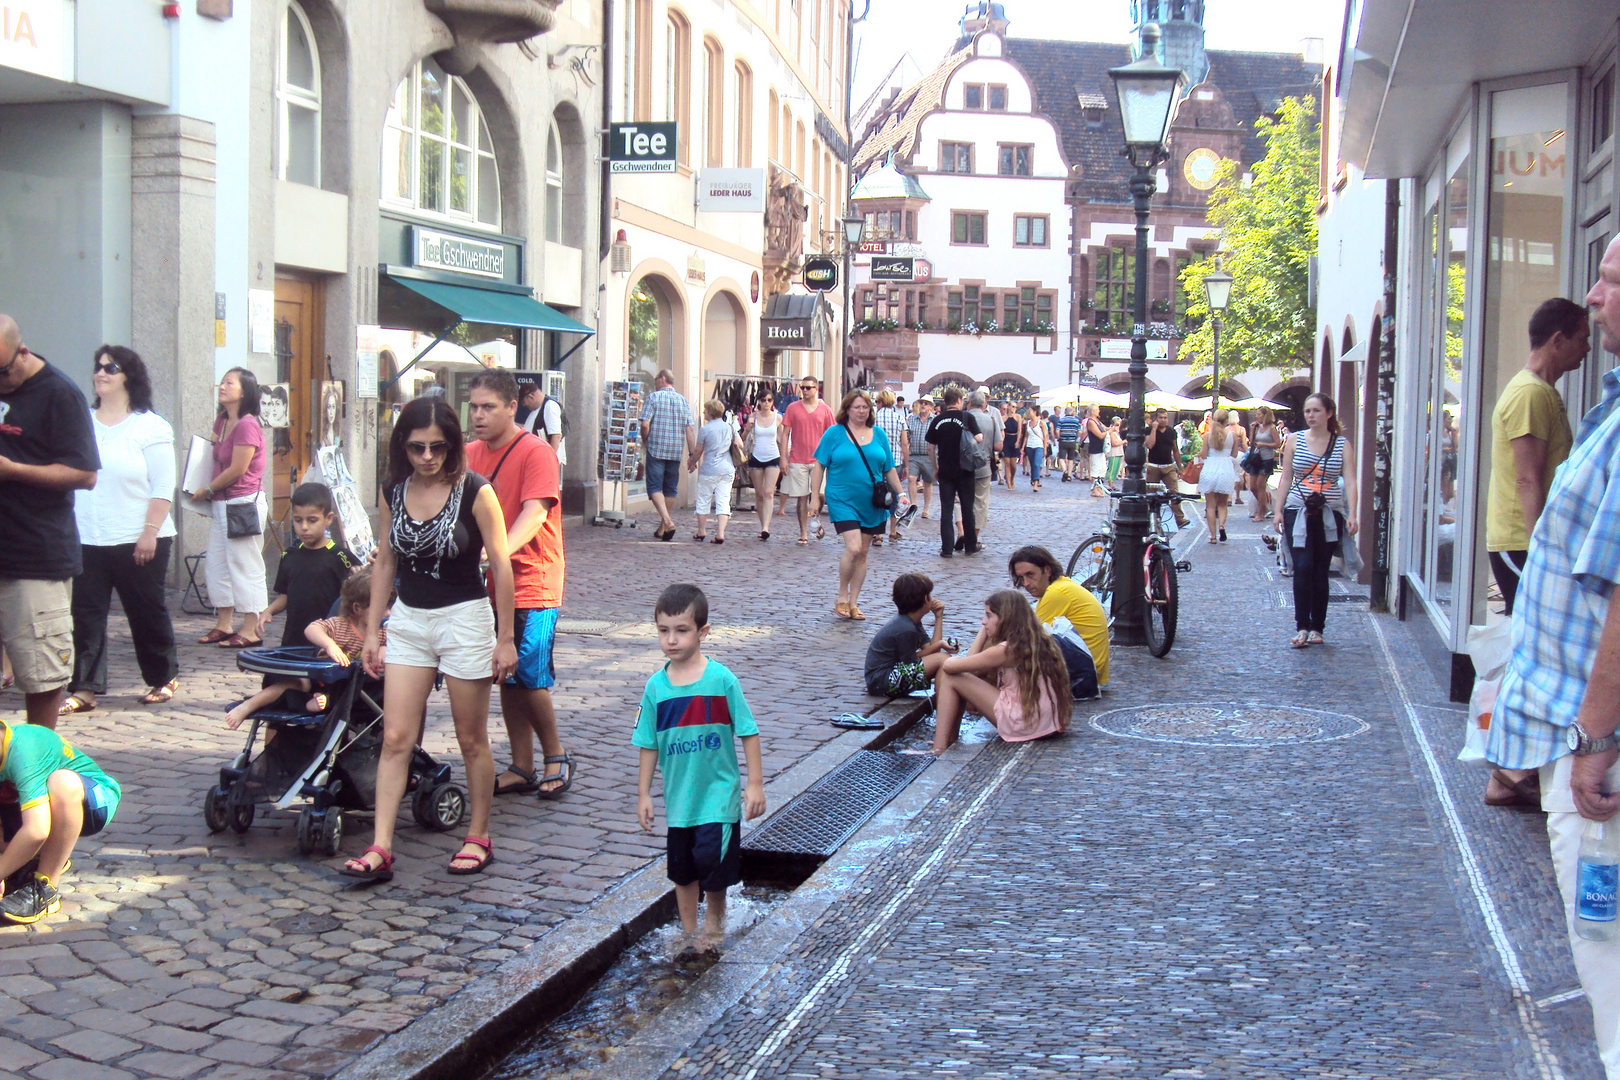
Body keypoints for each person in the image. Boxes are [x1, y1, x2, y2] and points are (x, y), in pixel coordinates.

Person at [1484, 234, 1620, 1078]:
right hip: (1576, 733)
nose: (1594, 297)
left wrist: (1597, 740)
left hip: (1596, 750)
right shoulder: (1606, 399)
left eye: (1610, 280)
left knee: (1606, 940)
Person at [342, 396, 517, 883]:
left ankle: (478, 835)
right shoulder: (392, 491)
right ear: (402, 445)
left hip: (464, 618)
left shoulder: (475, 491)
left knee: (470, 738)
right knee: (396, 737)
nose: (427, 457)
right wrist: (374, 630)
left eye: (438, 448)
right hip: (411, 619)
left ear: (453, 447)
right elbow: (385, 562)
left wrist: (506, 638)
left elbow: (501, 567)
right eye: (417, 447)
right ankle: (381, 846)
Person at [634, 584, 765, 949]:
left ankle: (714, 925)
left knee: (712, 863)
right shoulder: (656, 688)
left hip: (717, 797)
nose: (671, 640)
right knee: (682, 869)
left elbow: (748, 732)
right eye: (663, 631)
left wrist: (754, 784)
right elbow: (648, 744)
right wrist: (644, 793)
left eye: (681, 630)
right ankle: (689, 932)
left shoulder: (721, 681)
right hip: (680, 803)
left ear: (703, 632)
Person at [466, 372, 574, 801]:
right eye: (473, 406)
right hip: (487, 583)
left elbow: (533, 514)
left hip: (534, 579)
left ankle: (556, 754)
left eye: (488, 407)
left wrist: (494, 552)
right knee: (505, 675)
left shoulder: (536, 452)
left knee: (529, 673)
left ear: (513, 407)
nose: (478, 415)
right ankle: (522, 764)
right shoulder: (469, 454)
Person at [65, 346, 179, 714]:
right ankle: (84, 687)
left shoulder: (150, 425)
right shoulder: (81, 420)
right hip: (87, 536)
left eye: (110, 368)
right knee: (85, 614)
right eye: (98, 367)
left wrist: (149, 531)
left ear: (129, 375)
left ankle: (163, 676)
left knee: (145, 612)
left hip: (140, 537)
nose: (101, 373)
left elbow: (163, 486)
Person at [0, 315, 100, 730]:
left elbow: (85, 474)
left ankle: (38, 764)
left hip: (34, 556)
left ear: (22, 352)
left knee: (41, 672)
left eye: (1, 373)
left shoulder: (60, 393)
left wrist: (11, 470)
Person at [1486, 297, 1589, 618]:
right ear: (1558, 340)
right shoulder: (1529, 393)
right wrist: (1541, 547)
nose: (1587, 349)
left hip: (1527, 542)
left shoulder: (1541, 391)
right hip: (1521, 541)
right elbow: (1527, 478)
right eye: (1583, 339)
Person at [225, 568, 383, 730]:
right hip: (319, 679)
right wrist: (330, 645)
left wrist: (383, 651)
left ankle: (319, 701)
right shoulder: (341, 625)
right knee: (293, 683)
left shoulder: (383, 631)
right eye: (383, 608)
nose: (389, 613)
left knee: (349, 696)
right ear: (358, 609)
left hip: (348, 690)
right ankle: (248, 706)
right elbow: (312, 629)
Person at [0, 717, 121, 923]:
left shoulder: (24, 749)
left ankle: (45, 887)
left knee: (62, 782)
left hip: (94, 799)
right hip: (36, 809)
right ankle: (29, 864)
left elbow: (36, 831)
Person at [921, 589, 1071, 755]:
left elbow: (954, 666)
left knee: (951, 677)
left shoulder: (1007, 650)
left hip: (1024, 722)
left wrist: (982, 633)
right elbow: (972, 669)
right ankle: (949, 739)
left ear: (1005, 619)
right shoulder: (1036, 640)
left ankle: (940, 747)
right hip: (1045, 721)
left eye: (989, 616)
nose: (984, 622)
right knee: (960, 675)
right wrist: (987, 627)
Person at [191, 367, 269, 648]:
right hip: (222, 503)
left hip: (243, 502)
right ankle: (224, 623)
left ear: (244, 391)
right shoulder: (222, 419)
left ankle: (251, 628)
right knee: (217, 564)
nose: (222, 386)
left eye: (229, 383)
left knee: (245, 564)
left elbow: (238, 469)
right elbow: (213, 457)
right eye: (222, 381)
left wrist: (208, 489)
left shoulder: (247, 425)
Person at [1274, 393, 1358, 649]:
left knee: (1321, 570)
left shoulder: (1341, 444)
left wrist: (1353, 513)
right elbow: (1286, 477)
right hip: (1296, 510)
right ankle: (1301, 626)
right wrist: (1278, 510)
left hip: (1329, 512)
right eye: (1307, 410)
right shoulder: (1293, 440)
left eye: (1316, 411)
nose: (1310, 415)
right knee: (1303, 566)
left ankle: (1317, 628)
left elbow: (1351, 480)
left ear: (1328, 413)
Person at [811, 390, 904, 620]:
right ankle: (842, 596)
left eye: (865, 408)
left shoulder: (879, 434)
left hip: (872, 501)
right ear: (847, 410)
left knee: (862, 553)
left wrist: (901, 494)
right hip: (842, 498)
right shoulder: (834, 434)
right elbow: (819, 466)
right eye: (857, 407)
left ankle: (854, 602)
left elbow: (889, 468)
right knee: (852, 548)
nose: (861, 411)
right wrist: (815, 496)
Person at [261, 483, 360, 650]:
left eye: (312, 520)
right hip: (293, 639)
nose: (304, 527)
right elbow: (285, 595)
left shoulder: (342, 557)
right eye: (298, 520)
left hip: (329, 642)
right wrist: (269, 610)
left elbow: (356, 598)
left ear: (328, 519)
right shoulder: (289, 556)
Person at [1008, 546, 1110, 688]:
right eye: (1021, 578)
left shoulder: (1055, 593)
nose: (1025, 583)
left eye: (1030, 575)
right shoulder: (1062, 585)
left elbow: (1026, 642)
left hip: (1081, 679)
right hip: (1087, 672)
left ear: (1047, 570)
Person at [865, 571, 955, 697]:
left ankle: (941, 700)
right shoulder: (906, 629)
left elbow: (931, 651)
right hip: (881, 681)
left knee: (942, 659)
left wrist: (938, 617)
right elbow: (911, 661)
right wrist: (939, 644)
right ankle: (942, 702)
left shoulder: (911, 621)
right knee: (943, 660)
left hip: (887, 676)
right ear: (925, 599)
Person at [639, 369, 698, 541]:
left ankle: (667, 520)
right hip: (675, 451)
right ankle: (662, 528)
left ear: (663, 379)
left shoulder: (653, 397)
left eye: (657, 378)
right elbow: (690, 429)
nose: (655, 382)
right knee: (670, 489)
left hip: (656, 449)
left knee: (655, 487)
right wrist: (692, 454)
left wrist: (645, 440)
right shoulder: (682, 400)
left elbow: (644, 424)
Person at [926, 387, 982, 557]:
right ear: (958, 400)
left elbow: (930, 447)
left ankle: (947, 548)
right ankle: (970, 545)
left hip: (945, 470)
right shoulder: (967, 417)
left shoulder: (938, 419)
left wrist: (935, 468)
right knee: (967, 508)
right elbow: (979, 438)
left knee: (947, 510)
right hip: (965, 469)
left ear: (945, 401)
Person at [782, 376, 835, 545]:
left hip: (819, 460)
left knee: (819, 494)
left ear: (816, 389)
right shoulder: (792, 408)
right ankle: (803, 531)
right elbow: (785, 434)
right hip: (798, 458)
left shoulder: (825, 409)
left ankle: (815, 519)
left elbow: (832, 434)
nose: (805, 391)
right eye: (802, 388)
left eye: (808, 388)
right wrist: (783, 457)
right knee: (802, 497)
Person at [689, 399, 743, 544]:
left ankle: (701, 531)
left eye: (705, 410)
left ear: (711, 412)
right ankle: (720, 533)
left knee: (703, 499)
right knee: (723, 500)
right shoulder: (729, 427)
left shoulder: (705, 429)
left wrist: (692, 462)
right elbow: (740, 444)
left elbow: (698, 450)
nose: (704, 413)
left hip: (710, 469)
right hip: (727, 468)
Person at [1197, 408, 1240, 543]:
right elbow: (1234, 454)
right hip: (1226, 468)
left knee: (1210, 505)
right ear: (1227, 420)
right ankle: (1221, 525)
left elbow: (1203, 454)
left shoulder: (1207, 435)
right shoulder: (1232, 435)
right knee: (1222, 504)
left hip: (1211, 467)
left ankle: (1213, 536)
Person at [872, 390, 910, 545]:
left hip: (876, 462)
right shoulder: (899, 418)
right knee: (894, 498)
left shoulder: (874, 418)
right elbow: (905, 443)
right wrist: (906, 464)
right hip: (895, 463)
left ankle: (878, 533)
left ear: (880, 402)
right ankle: (893, 531)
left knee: (878, 497)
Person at [745, 392, 782, 541]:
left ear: (772, 402)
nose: (766, 403)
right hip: (756, 456)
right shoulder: (753, 417)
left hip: (773, 456)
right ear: (758, 401)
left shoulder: (778, 417)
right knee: (759, 494)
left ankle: (766, 527)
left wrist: (786, 457)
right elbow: (743, 438)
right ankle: (762, 526)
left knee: (768, 492)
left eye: (769, 400)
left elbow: (782, 439)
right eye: (763, 400)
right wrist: (748, 427)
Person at [1144, 408, 1189, 527]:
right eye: (1161, 418)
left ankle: (1179, 518)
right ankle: (1149, 517)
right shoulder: (1149, 430)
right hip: (1154, 466)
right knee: (1150, 493)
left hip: (1168, 466)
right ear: (1156, 419)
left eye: (1165, 418)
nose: (1163, 420)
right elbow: (1149, 445)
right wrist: (1153, 429)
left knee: (1174, 492)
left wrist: (1180, 467)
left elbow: (1175, 450)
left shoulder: (1171, 431)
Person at [966, 390, 998, 539]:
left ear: (970, 403)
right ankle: (974, 537)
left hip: (964, 465)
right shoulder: (991, 419)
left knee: (961, 500)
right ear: (984, 403)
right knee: (980, 501)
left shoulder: (964, 418)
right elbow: (998, 446)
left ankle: (962, 532)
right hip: (983, 465)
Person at [1246, 406, 1281, 520]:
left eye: (1259, 414)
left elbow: (1277, 444)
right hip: (1256, 458)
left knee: (1260, 485)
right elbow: (1252, 442)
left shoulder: (1272, 428)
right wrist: (1252, 430)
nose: (1257, 416)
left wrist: (1265, 445)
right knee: (1252, 486)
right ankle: (1265, 507)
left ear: (1265, 415)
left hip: (1266, 458)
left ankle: (1260, 513)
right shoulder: (1258, 427)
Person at [907, 398, 936, 518]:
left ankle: (926, 509)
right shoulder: (912, 419)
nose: (923, 405)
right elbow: (907, 436)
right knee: (911, 478)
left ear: (931, 406)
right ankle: (913, 505)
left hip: (928, 456)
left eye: (926, 403)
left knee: (928, 482)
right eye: (922, 403)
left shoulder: (934, 420)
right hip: (914, 455)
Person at [1083, 404, 1108, 497]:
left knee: (1102, 469)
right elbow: (1100, 435)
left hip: (1101, 449)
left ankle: (1099, 487)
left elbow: (1105, 429)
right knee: (1096, 469)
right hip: (1095, 448)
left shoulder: (1097, 421)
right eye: (1097, 410)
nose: (1099, 411)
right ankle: (1095, 489)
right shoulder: (1091, 422)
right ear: (1093, 411)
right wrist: (1109, 432)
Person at [1019, 406, 1046, 491]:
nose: (1028, 412)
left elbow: (1045, 436)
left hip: (1039, 446)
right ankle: (1033, 479)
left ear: (1034, 412)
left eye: (1030, 411)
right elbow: (1026, 436)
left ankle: (1036, 483)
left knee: (1036, 464)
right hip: (1030, 446)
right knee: (1032, 464)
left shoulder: (1041, 423)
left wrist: (1045, 448)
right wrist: (1023, 447)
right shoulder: (1028, 423)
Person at [1056, 406, 1082, 482]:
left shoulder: (1061, 420)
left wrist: (1059, 437)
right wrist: (1075, 437)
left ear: (1065, 412)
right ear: (1072, 412)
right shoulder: (1076, 421)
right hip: (1072, 441)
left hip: (1063, 441)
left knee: (1061, 457)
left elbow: (1057, 430)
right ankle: (1069, 476)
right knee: (1071, 459)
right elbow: (1080, 431)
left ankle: (1065, 471)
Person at [1000, 402, 1023, 491]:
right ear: (1008, 407)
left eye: (1015, 407)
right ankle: (1009, 484)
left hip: (1014, 439)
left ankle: (1011, 478)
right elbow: (1001, 430)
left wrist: (1018, 441)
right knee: (1007, 464)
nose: (1014, 408)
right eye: (1013, 406)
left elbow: (1020, 430)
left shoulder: (1018, 417)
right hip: (1006, 440)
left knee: (1013, 465)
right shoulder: (1003, 418)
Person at [1105, 416, 1124, 491]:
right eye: (1116, 425)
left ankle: (1112, 483)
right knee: (1112, 469)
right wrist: (1124, 441)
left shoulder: (1117, 433)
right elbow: (1114, 443)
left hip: (1118, 453)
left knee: (1115, 469)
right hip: (1114, 453)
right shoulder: (1112, 433)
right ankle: (1110, 484)